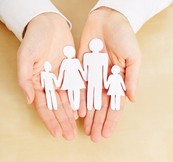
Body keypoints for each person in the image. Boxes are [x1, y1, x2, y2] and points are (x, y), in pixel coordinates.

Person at [0, 0, 172, 142]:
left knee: (94, 95)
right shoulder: (83, 60)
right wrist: (33, 15)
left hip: (94, 80)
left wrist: (119, 12)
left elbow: (86, 72)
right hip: (78, 81)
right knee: (88, 95)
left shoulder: (97, 60)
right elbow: (79, 71)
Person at [57, 46, 86, 111]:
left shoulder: (75, 61)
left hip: (75, 78)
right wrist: (58, 81)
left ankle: (75, 105)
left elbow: (80, 70)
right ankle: (74, 105)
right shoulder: (65, 62)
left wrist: (85, 77)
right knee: (72, 91)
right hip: (70, 78)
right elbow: (61, 72)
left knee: (74, 91)